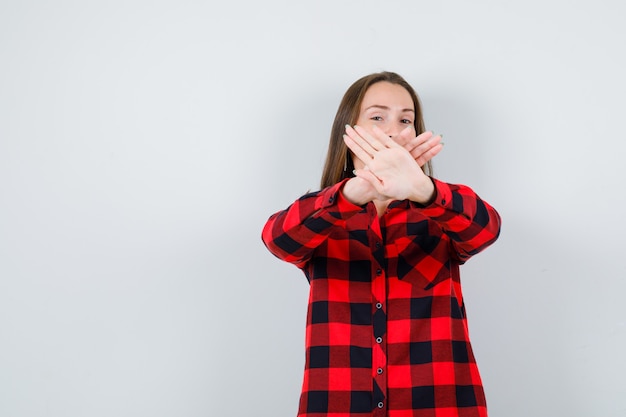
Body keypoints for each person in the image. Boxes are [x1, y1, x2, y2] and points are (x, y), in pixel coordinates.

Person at [261, 71, 501, 417]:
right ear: (349, 130)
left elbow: (486, 229)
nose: (394, 130)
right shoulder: (322, 216)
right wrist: (355, 192)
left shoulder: (440, 210)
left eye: (406, 119)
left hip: (439, 404)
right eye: (377, 117)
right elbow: (278, 239)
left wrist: (422, 189)